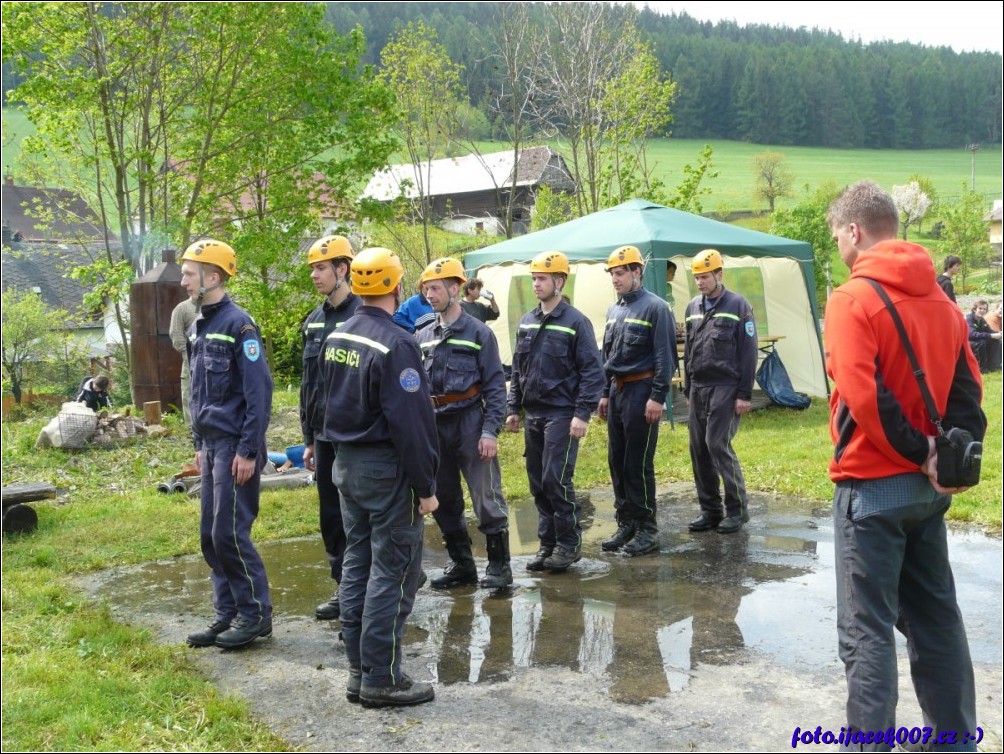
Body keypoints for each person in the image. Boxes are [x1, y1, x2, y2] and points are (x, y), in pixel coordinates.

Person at [824, 180, 985, 747]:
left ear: (853, 230)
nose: (838, 247)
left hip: (870, 488)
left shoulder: (851, 299)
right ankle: (956, 740)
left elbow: (864, 398)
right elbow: (970, 389)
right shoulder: (942, 299)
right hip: (927, 492)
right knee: (936, 619)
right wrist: (949, 456)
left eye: (835, 235)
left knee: (865, 633)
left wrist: (920, 450)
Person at [319, 247, 440, 708]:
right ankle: (382, 678)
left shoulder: (339, 335)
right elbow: (412, 424)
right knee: (393, 571)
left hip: (345, 464)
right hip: (385, 469)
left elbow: (323, 401)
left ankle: (358, 670)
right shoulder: (399, 343)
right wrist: (426, 488)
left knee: (358, 565)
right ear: (395, 286)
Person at [181, 239, 274, 651]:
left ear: (212, 277)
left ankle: (255, 614)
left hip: (237, 446)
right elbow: (199, 393)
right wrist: (199, 443)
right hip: (212, 445)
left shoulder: (241, 326)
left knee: (230, 534)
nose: (183, 280)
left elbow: (260, 393)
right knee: (209, 535)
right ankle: (227, 613)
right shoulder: (197, 325)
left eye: (189, 273)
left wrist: (248, 450)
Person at [415, 258, 511, 589]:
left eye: (436, 288)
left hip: (470, 422)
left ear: (455, 289)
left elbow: (496, 387)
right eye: (426, 288)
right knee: (443, 498)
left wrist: (489, 431)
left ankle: (500, 566)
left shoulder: (479, 332)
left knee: (486, 496)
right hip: (435, 427)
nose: (430, 294)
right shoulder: (422, 335)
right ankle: (462, 565)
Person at [505, 251, 604, 571]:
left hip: (563, 413)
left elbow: (592, 371)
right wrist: (513, 408)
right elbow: (519, 369)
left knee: (556, 478)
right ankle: (547, 544)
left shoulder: (576, 322)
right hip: (533, 414)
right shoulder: (527, 322)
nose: (536, 284)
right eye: (534, 278)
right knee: (537, 481)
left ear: (559, 282)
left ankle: (569, 543)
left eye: (542, 279)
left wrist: (582, 413)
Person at [597, 245, 677, 556]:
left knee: (637, 464)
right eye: (612, 274)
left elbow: (664, 357)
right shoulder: (614, 310)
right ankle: (626, 522)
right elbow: (608, 356)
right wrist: (604, 393)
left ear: (637, 273)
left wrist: (658, 397)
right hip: (617, 392)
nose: (615, 279)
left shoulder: (656, 308)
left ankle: (647, 529)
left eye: (620, 273)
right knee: (616, 461)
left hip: (642, 392)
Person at [299, 235, 360, 621]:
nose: (315, 276)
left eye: (321, 268)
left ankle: (371, 583)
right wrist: (307, 437)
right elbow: (308, 385)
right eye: (312, 270)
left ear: (343, 269)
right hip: (322, 436)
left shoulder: (363, 316)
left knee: (360, 514)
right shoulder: (314, 321)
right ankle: (343, 586)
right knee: (331, 516)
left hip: (355, 438)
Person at [683, 248, 758, 535]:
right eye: (697, 278)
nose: (700, 282)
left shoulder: (738, 305)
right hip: (699, 387)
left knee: (717, 444)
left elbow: (749, 352)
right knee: (699, 449)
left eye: (705, 277)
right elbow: (689, 349)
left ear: (719, 274)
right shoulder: (692, 308)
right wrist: (688, 387)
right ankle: (710, 510)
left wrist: (744, 394)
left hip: (726, 387)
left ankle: (738, 509)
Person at [169, 296, 198, 425]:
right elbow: (176, 335)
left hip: (214, 359)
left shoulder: (213, 305)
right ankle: (192, 429)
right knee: (190, 393)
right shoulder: (182, 308)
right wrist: (188, 353)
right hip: (191, 358)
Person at [966, 299, 1002, 373]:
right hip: (967, 342)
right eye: (980, 308)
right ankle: (982, 369)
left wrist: (999, 333)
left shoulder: (982, 320)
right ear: (975, 309)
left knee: (997, 341)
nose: (982, 311)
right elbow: (972, 334)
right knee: (981, 343)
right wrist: (991, 335)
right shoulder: (969, 319)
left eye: (984, 309)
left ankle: (994, 366)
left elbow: (989, 331)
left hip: (977, 339)